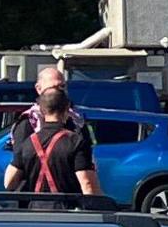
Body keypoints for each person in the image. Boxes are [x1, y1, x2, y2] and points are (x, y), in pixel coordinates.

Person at [6, 66, 100, 200]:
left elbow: (87, 174)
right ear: (39, 89)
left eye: (62, 87)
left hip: (71, 201)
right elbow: (18, 171)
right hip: (34, 201)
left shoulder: (76, 122)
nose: (60, 91)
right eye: (54, 87)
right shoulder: (27, 124)